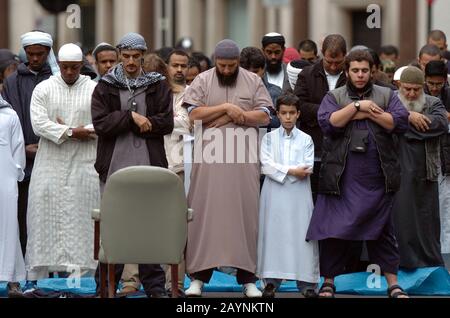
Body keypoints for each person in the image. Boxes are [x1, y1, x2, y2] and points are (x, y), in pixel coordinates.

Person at [306, 50, 410, 298]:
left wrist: (362, 112)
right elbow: (328, 123)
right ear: (347, 72)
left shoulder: (387, 94)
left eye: (365, 70)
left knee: (383, 231)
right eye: (355, 70)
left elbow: (399, 122)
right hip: (342, 177)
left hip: (377, 177)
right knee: (335, 230)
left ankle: (393, 284)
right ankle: (328, 281)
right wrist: (357, 106)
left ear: (372, 70)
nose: (360, 75)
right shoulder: (335, 95)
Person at [183, 39, 272, 298]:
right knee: (204, 217)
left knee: (245, 218)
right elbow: (193, 114)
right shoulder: (202, 80)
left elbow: (265, 115)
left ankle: (248, 280)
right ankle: (198, 279)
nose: (225, 70)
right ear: (215, 61)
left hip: (243, 162)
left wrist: (240, 116)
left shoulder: (253, 81)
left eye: (231, 66)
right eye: (221, 65)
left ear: (238, 63)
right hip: (208, 163)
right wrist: (226, 108)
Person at [91, 32, 173, 298]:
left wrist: (143, 122)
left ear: (142, 56)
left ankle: (155, 287)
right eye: (125, 56)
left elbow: (166, 122)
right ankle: (105, 287)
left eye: (135, 57)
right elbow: (101, 124)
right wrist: (131, 117)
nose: (130, 62)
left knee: (150, 226)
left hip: (150, 165)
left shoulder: (157, 84)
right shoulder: (105, 85)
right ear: (118, 55)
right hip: (114, 167)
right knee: (114, 228)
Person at [26, 43, 99, 281]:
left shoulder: (93, 89)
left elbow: (102, 124)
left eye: (74, 68)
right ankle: (39, 281)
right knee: (43, 220)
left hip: (84, 165)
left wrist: (70, 128)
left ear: (81, 66)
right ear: (58, 64)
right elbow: (38, 124)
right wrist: (70, 131)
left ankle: (85, 281)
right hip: (49, 166)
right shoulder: (43, 88)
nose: (69, 72)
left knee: (84, 222)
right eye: (65, 67)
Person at [1, 31, 59, 268]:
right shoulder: (13, 81)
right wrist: (23, 148)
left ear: (48, 53)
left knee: (53, 217)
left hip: (54, 157)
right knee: (24, 217)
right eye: (31, 54)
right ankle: (25, 269)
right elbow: (9, 120)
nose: (35, 58)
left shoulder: (56, 78)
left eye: (40, 54)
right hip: (23, 160)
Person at [257, 93, 319, 298]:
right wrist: (292, 171)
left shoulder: (306, 139)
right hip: (273, 196)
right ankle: (270, 282)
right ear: (277, 114)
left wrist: (282, 171)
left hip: (299, 196)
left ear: (298, 114)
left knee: (301, 235)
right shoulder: (268, 138)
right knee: (273, 234)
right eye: (284, 113)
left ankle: (307, 283)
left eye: (292, 113)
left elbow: (307, 167)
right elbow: (265, 166)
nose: (288, 117)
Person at [392, 66, 448, 270]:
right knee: (401, 221)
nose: (411, 94)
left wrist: (403, 125)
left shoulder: (433, 103)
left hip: (425, 171)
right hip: (397, 171)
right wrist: (407, 116)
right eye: (407, 89)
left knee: (427, 222)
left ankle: (428, 267)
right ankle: (401, 266)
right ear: (399, 86)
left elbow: (439, 125)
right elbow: (387, 123)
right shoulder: (391, 101)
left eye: (416, 89)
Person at [294, 34, 347, 203]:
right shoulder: (307, 74)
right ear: (322, 55)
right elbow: (299, 105)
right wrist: (329, 113)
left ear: (345, 56)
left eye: (337, 62)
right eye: (328, 61)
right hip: (314, 144)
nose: (332, 66)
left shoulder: (352, 75)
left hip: (343, 146)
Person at [425, 61, 450, 270]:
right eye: (431, 84)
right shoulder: (418, 94)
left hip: (445, 159)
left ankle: (445, 259)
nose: (434, 88)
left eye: (439, 84)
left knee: (445, 209)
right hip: (425, 160)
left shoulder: (448, 95)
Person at [0, 96, 26, 298]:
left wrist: (14, 173)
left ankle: (12, 278)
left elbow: (18, 151)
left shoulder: (9, 116)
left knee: (8, 227)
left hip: (4, 180)